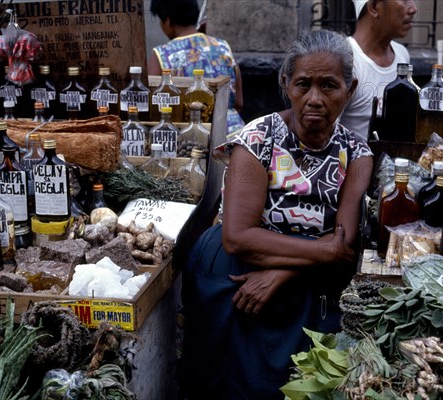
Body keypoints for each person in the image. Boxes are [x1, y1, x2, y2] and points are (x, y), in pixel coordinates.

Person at [180, 29, 373, 400]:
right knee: (221, 380)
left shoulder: (357, 153)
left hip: (305, 274)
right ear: (286, 83)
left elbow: (344, 245)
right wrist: (322, 251)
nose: (314, 99)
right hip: (236, 270)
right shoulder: (257, 139)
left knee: (293, 380)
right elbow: (237, 236)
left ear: (350, 89)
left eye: (329, 86)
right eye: (303, 84)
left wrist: (285, 271)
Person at [148, 0, 245, 134]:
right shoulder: (223, 47)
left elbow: (152, 107)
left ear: (168, 20)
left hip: (192, 138)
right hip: (235, 132)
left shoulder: (161, 55)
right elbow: (239, 103)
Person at [339, 0, 418, 140]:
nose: (413, 9)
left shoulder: (401, 55)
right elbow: (324, 136)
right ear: (374, 7)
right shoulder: (344, 59)